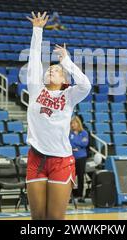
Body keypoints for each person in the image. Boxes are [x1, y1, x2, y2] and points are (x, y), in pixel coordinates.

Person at [25, 12, 91, 220]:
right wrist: (37, 30)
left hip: (61, 160)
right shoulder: (36, 88)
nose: (49, 71)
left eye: (55, 70)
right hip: (36, 158)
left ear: (64, 79)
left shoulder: (69, 94)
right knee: (38, 217)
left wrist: (67, 62)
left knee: (54, 218)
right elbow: (34, 58)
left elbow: (86, 85)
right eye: (49, 69)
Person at [69, 116, 89, 203]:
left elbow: (85, 143)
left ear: (78, 123)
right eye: (71, 123)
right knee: (70, 177)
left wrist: (75, 143)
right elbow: (69, 143)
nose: (73, 125)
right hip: (72, 157)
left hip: (81, 157)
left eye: (74, 123)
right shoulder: (69, 133)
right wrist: (77, 145)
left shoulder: (84, 133)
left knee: (81, 176)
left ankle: (81, 196)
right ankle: (69, 196)